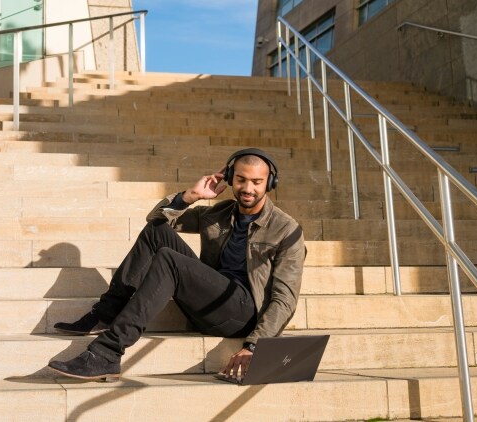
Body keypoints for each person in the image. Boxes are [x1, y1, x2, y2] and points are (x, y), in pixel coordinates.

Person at [48, 148, 305, 383]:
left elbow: (285, 299)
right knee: (156, 231)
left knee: (169, 260)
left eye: (257, 182)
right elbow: (155, 219)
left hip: (242, 314)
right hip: (210, 299)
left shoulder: (286, 229)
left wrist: (254, 345)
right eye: (241, 179)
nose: (248, 188)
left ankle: (107, 352)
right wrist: (189, 196)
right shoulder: (219, 213)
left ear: (270, 183)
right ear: (229, 178)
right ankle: (107, 312)